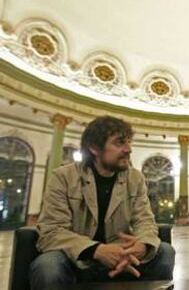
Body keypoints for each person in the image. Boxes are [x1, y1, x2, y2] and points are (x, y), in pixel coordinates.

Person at [30, 116, 175, 290]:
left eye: (129, 142)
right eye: (119, 143)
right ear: (94, 148)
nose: (128, 149)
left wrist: (142, 245)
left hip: (123, 257)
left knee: (165, 251)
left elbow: (144, 221)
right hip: (75, 259)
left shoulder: (135, 178)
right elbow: (51, 231)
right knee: (48, 265)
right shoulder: (63, 177)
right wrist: (97, 250)